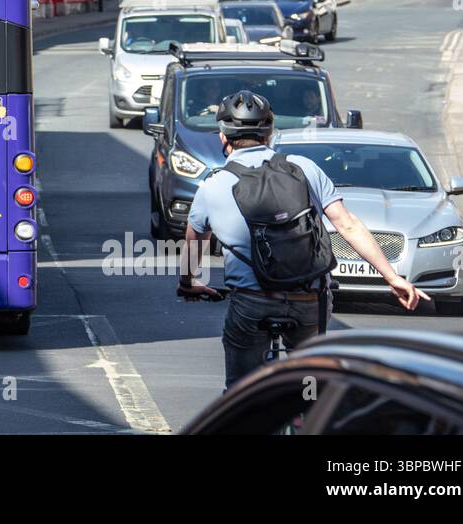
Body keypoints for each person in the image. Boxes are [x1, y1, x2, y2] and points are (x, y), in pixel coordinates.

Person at [179, 90, 426, 390]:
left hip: (252, 303)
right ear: (269, 133)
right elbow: (347, 225)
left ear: (223, 137)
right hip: (309, 300)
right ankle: (307, 406)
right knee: (309, 378)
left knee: (240, 389)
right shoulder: (304, 168)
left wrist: (188, 282)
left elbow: (194, 241)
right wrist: (392, 277)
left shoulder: (213, 186)